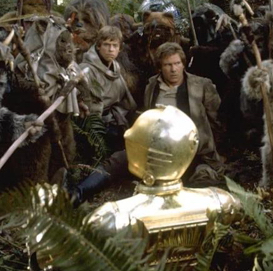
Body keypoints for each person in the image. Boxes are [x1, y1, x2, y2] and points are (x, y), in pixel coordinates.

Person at [70, 42, 224, 204]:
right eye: (168, 65)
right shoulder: (152, 85)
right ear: (160, 67)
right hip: (155, 148)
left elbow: (217, 122)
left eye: (177, 63)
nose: (173, 69)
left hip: (189, 151)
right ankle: (76, 194)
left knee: (199, 181)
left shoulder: (201, 85)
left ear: (183, 64)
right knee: (118, 160)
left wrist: (214, 150)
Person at [80, 25, 137, 151]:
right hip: (94, 126)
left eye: (115, 45)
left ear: (119, 48)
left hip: (114, 119)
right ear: (98, 46)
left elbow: (123, 99)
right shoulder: (86, 69)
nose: (111, 49)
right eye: (106, 45)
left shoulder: (115, 67)